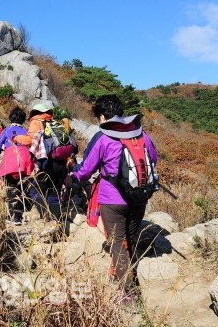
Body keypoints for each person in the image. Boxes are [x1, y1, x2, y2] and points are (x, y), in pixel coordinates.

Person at [72, 94, 158, 302]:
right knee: (128, 239)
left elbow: (85, 170)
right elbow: (153, 159)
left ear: (102, 116)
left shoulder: (103, 136)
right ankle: (117, 274)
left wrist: (72, 174)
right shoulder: (141, 133)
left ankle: (128, 294)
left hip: (112, 200)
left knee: (118, 243)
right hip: (139, 198)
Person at [13, 103, 74, 222]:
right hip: (62, 163)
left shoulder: (36, 122)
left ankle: (47, 217)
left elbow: (29, 140)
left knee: (34, 191)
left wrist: (16, 138)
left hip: (47, 163)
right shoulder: (55, 123)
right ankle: (57, 227)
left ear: (34, 113)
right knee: (54, 195)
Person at [0, 107, 33, 225]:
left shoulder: (6, 131)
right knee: (21, 187)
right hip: (24, 160)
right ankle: (19, 213)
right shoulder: (25, 132)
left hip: (10, 161)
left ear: (11, 118)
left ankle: (14, 216)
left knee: (11, 187)